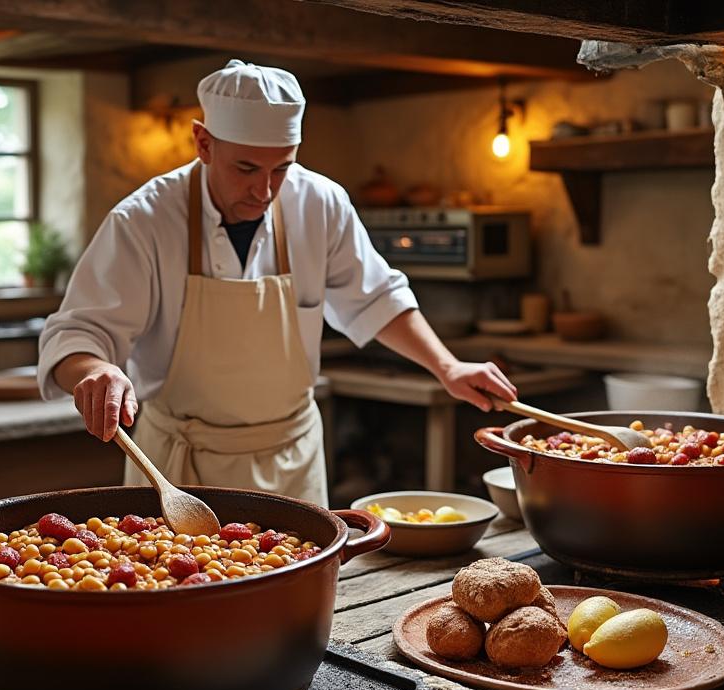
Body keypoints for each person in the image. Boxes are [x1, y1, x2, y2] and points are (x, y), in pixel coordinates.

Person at [38, 60, 516, 506]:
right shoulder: (144, 219)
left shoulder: (320, 202)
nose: (264, 191)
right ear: (203, 143)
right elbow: (75, 335)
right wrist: (93, 371)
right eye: (246, 168)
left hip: (293, 463)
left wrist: (447, 366)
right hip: (181, 471)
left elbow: (375, 297)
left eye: (281, 168)